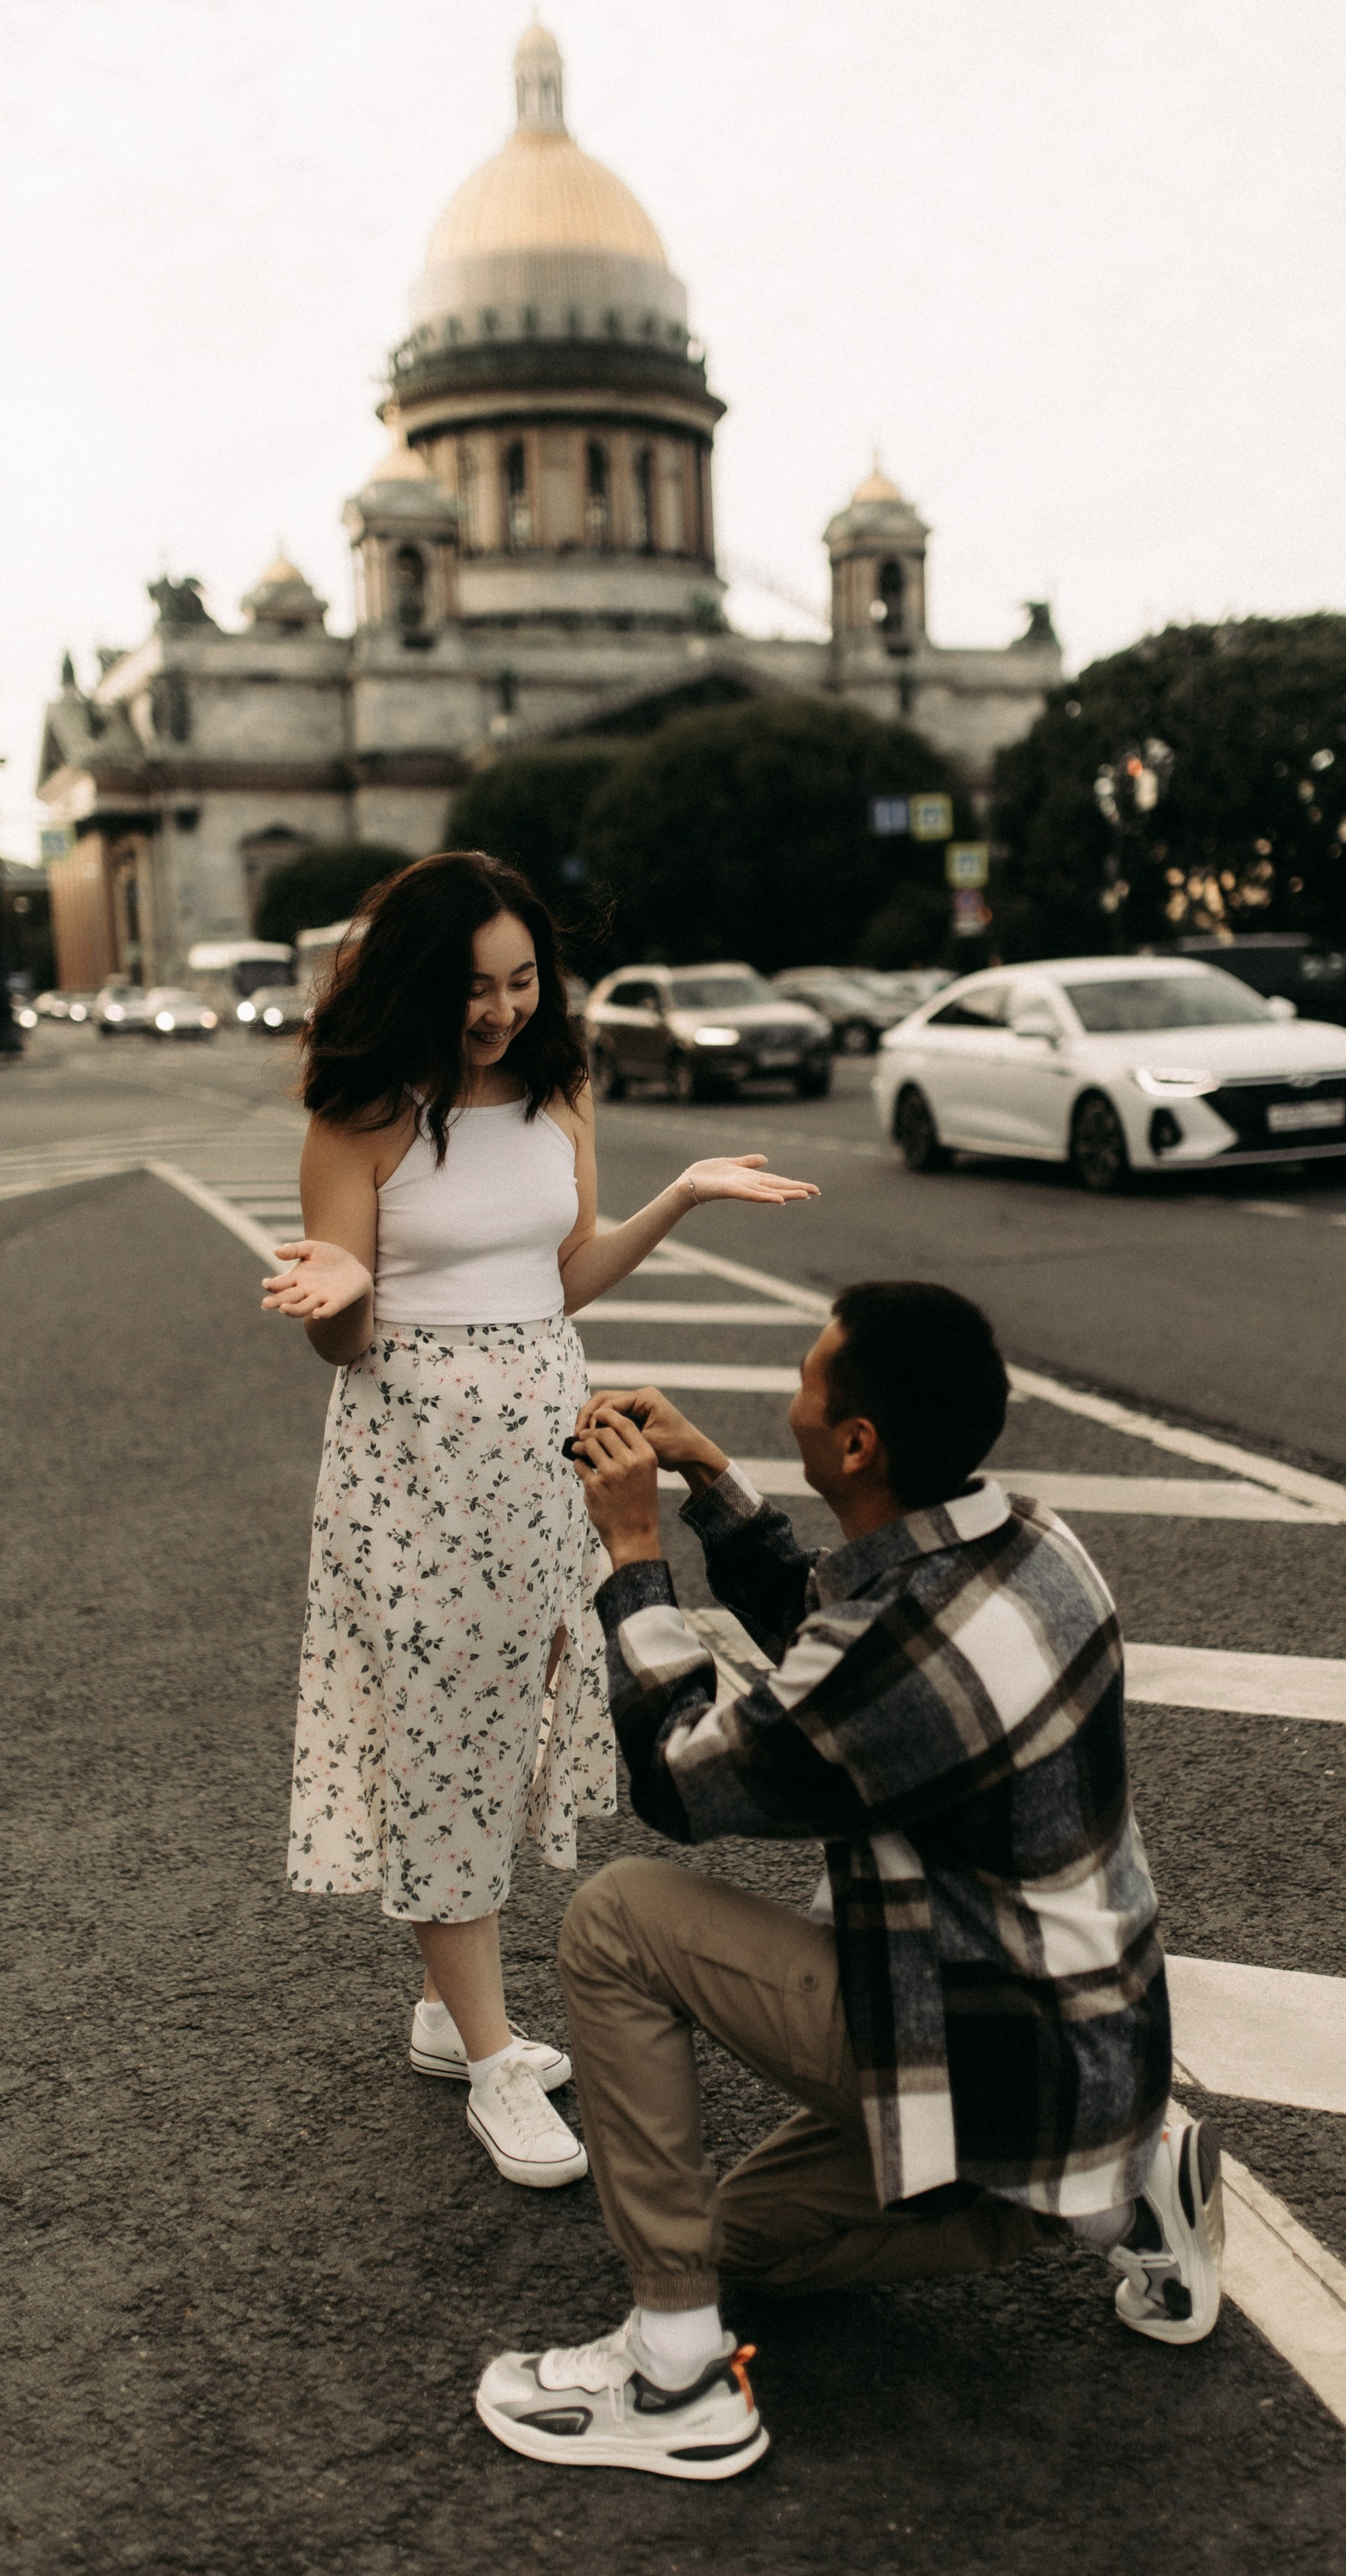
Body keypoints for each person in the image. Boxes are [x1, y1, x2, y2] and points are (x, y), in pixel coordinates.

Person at [474, 1281, 1222, 2481]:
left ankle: (676, 2380)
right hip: (1088, 2046)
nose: (794, 1404)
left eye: (808, 1390)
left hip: (987, 2043)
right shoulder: (1030, 1540)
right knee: (734, 2245)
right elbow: (840, 1636)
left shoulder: (901, 1651)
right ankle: (1117, 2198)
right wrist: (711, 1477)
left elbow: (685, 1778)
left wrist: (633, 1558)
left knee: (618, 1919)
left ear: (858, 1441)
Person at [260, 851, 818, 2193]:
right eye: (473, 988)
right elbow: (343, 1342)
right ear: (412, 983)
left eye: (520, 981)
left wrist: (674, 1196)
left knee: (516, 1718)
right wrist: (341, 1282)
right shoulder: (361, 1114)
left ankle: (456, 2014)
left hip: (541, 1448)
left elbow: (560, 1276)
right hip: (415, 1460)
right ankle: (495, 2052)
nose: (501, 1009)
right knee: (443, 1732)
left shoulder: (559, 1084)